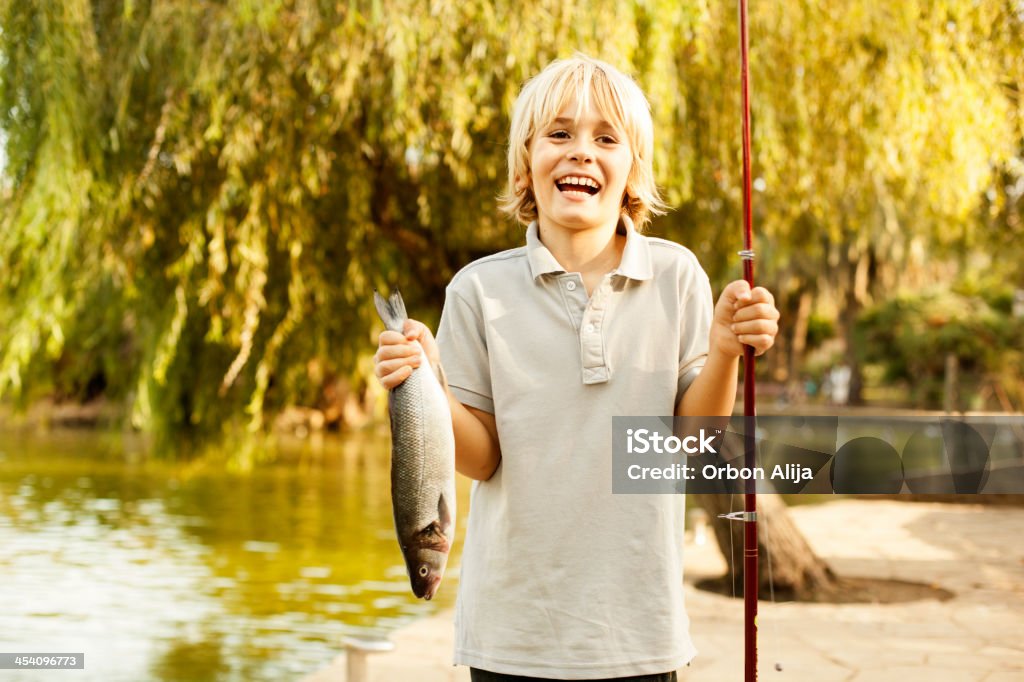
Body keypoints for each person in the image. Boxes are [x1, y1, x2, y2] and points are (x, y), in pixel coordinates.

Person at [374, 53, 779, 682]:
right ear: (525, 164)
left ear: (632, 172)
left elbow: (693, 446)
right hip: (513, 634)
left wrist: (725, 348)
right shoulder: (478, 291)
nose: (581, 152)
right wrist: (426, 379)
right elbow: (481, 458)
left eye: (606, 139)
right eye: (558, 134)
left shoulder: (677, 277)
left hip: (640, 631)